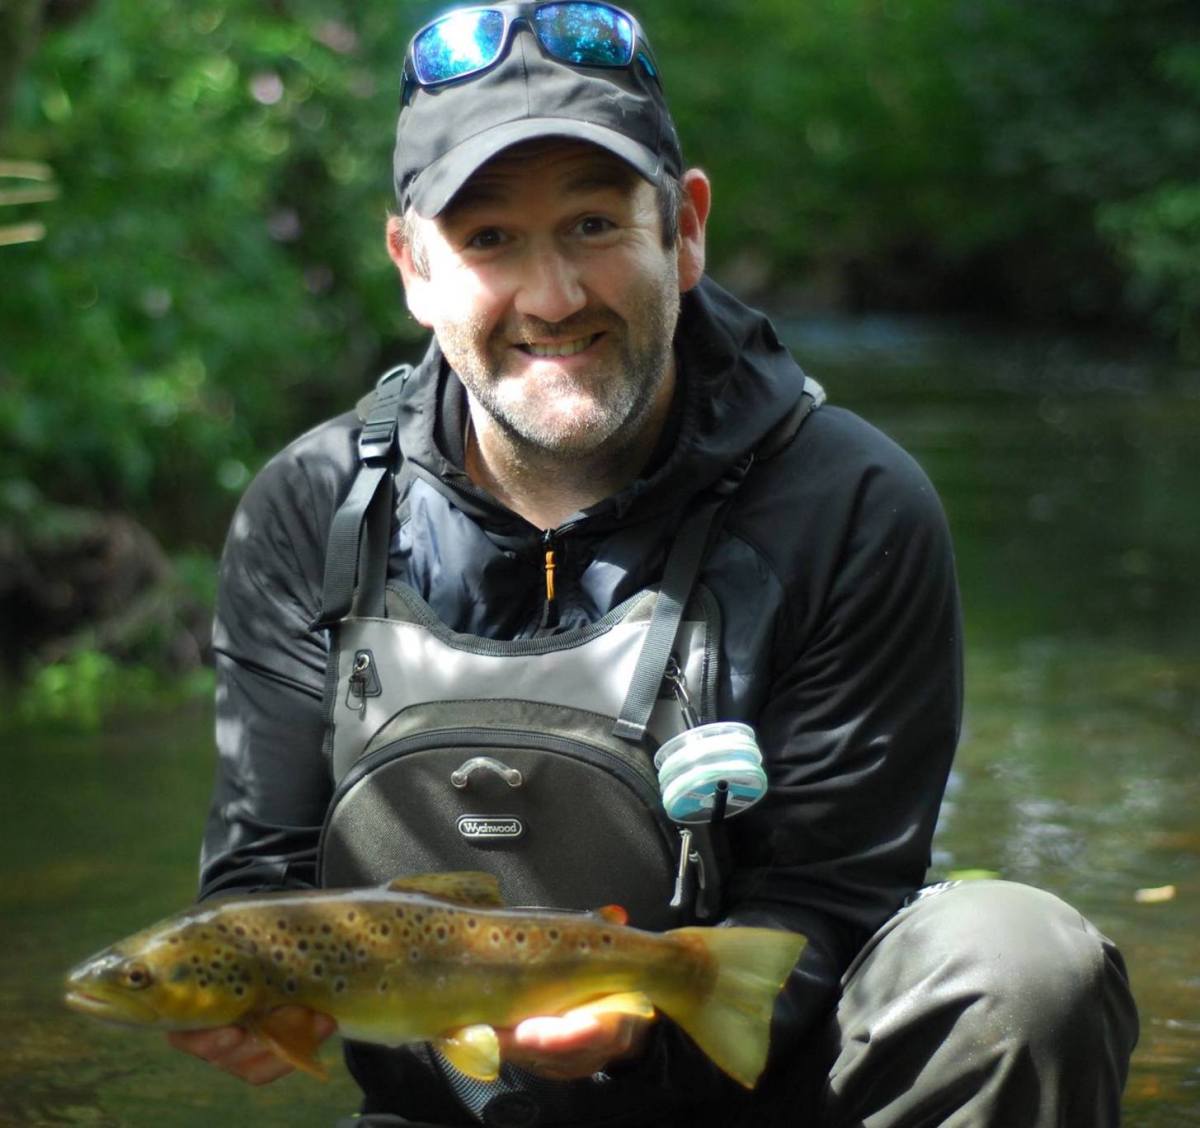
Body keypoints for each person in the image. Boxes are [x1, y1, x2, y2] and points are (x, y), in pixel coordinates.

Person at [169, 3, 1139, 1125]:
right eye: (489, 240)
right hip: (444, 1110)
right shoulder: (313, 509)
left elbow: (828, 908)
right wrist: (236, 1004)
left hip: (768, 1099)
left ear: (683, 228)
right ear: (413, 266)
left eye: (591, 224)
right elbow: (263, 880)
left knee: (1016, 960)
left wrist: (636, 1023)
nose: (552, 297)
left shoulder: (851, 508)